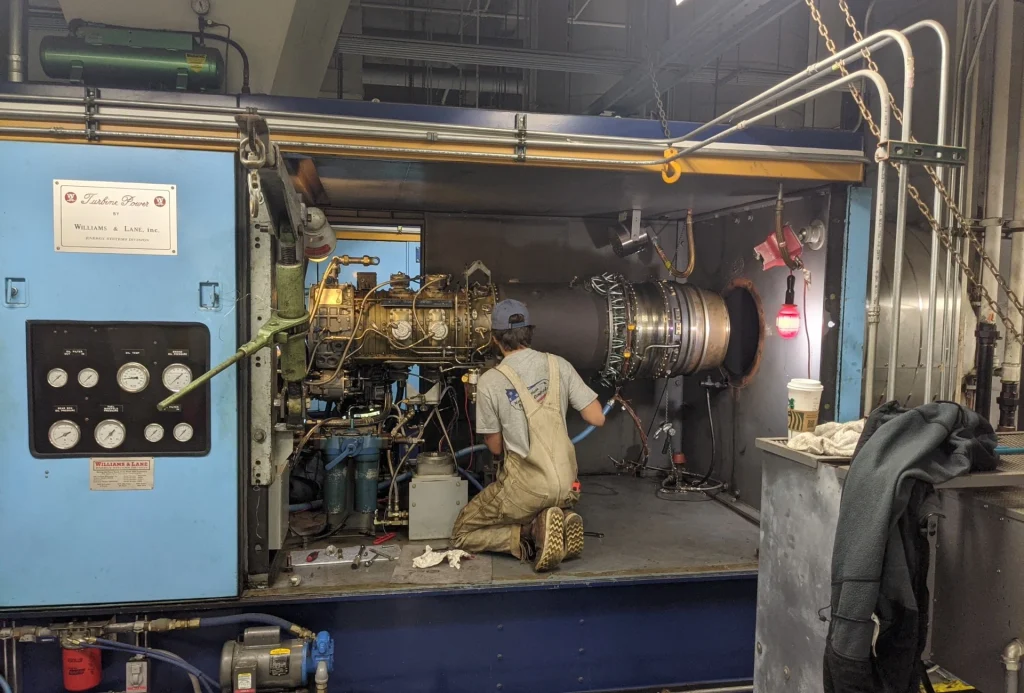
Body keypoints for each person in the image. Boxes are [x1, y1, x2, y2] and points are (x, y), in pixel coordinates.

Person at [450, 299, 606, 572]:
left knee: (462, 532)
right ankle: (559, 515)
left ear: (496, 339)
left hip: (526, 489)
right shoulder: (559, 365)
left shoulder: (491, 380)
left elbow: (496, 448)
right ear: (529, 333)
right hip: (568, 486)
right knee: (547, 495)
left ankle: (530, 533)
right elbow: (597, 417)